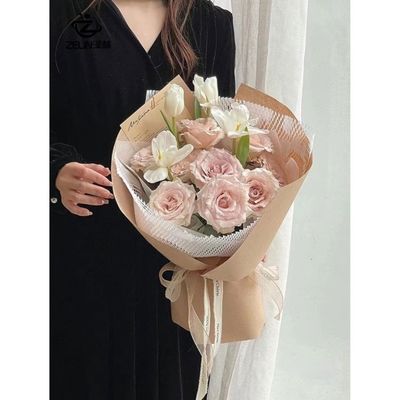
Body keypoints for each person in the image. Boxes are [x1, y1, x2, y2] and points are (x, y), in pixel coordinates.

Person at [50, 0, 236, 399]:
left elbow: (229, 142)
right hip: (83, 254)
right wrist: (56, 171)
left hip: (174, 265)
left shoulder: (211, 24)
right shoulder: (61, 14)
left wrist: (240, 229)